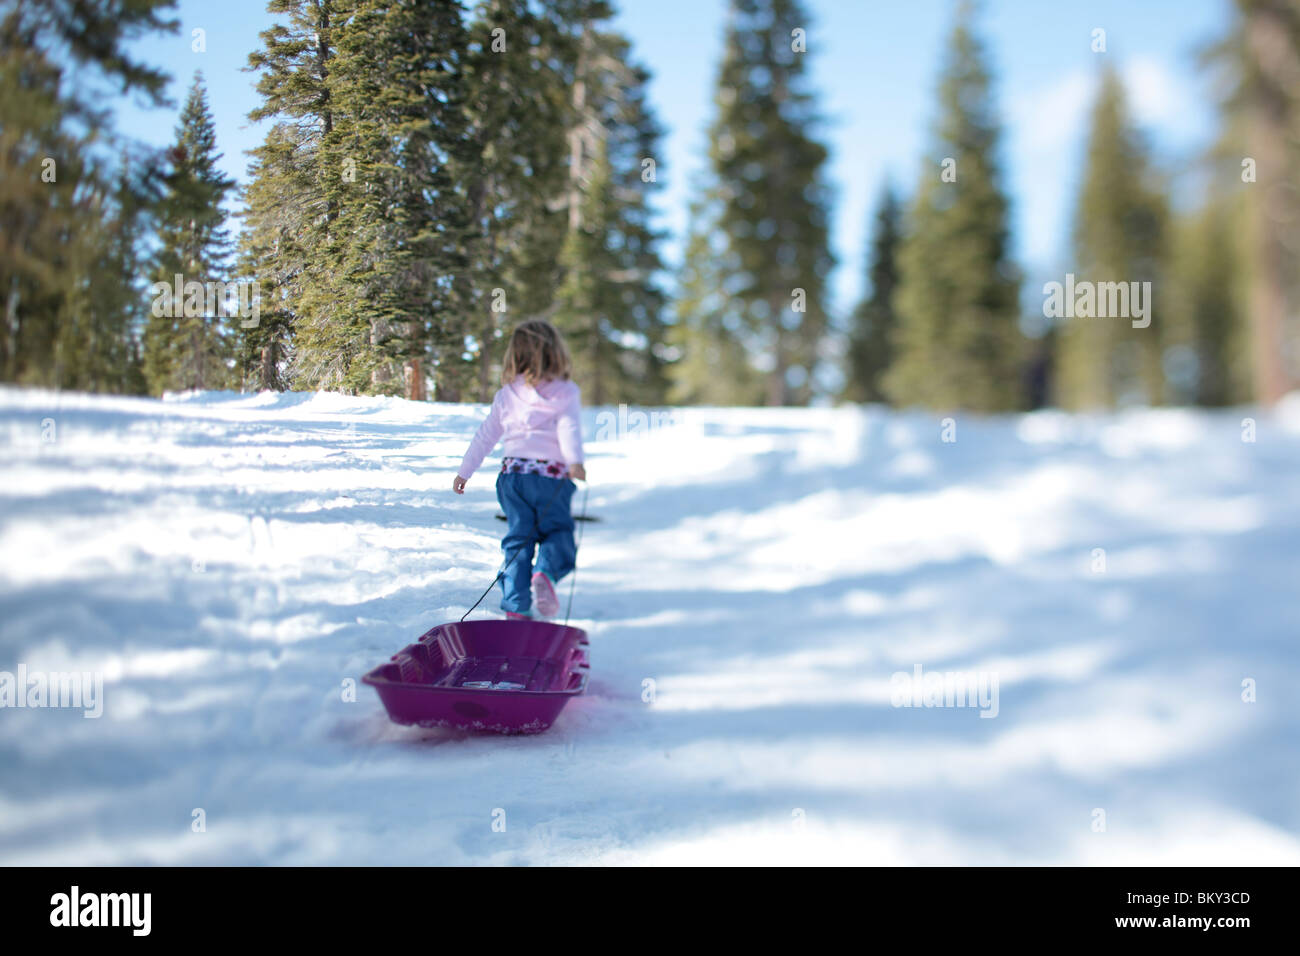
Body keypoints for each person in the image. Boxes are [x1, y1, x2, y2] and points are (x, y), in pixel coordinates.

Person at [453, 320, 586, 620]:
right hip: (551, 478)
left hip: (513, 478)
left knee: (519, 539)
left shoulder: (507, 394)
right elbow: (568, 426)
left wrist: (465, 471)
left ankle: (515, 605)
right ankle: (546, 574)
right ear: (556, 353)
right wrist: (574, 461)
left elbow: (486, 435)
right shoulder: (565, 391)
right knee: (557, 531)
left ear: (515, 355)